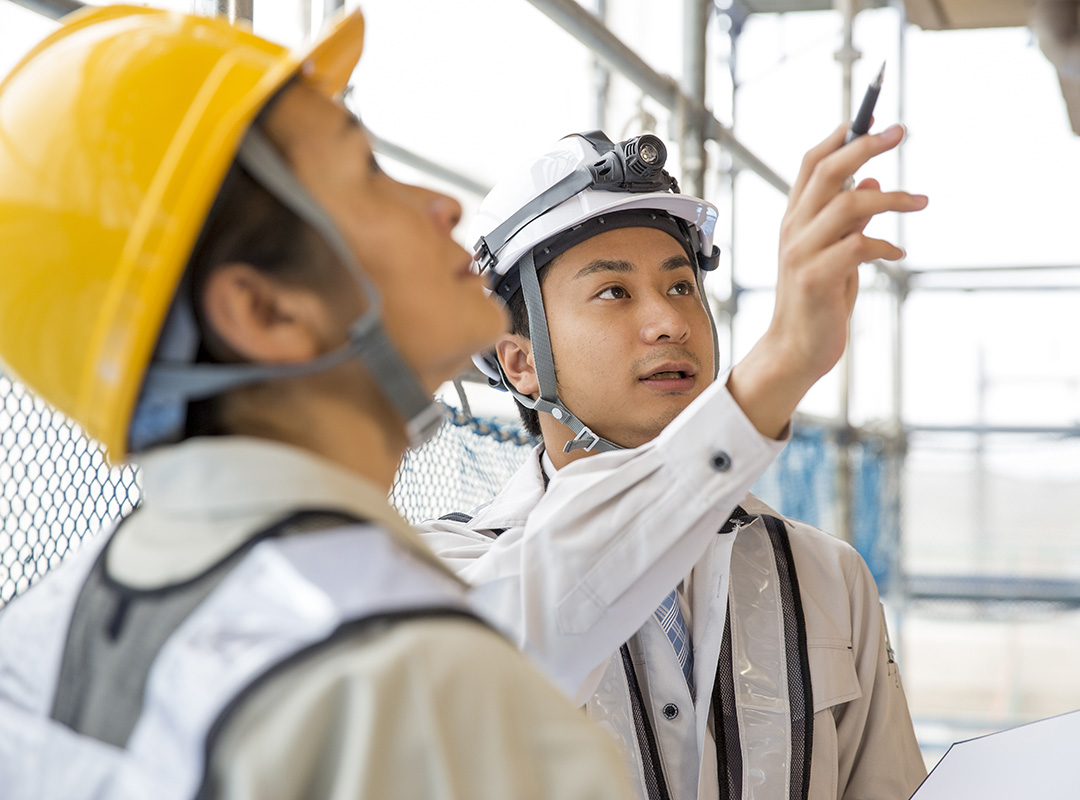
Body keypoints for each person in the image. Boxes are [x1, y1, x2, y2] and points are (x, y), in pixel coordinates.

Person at [0, 7, 639, 799]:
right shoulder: (426, 700)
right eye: (367, 170)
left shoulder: (43, 636)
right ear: (267, 312)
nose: (441, 203)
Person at [422, 129, 930, 800]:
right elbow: (539, 619)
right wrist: (779, 365)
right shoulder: (446, 572)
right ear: (520, 362)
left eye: (683, 287)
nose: (669, 321)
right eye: (613, 293)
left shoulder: (826, 576)